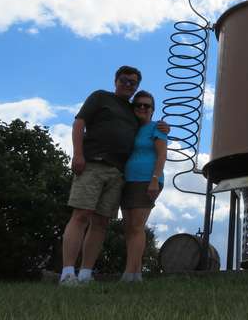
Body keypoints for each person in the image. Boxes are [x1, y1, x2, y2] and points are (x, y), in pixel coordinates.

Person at [59, 66, 168, 285]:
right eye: (125, 80)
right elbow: (79, 123)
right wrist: (77, 154)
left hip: (119, 174)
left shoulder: (135, 113)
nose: (129, 85)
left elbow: (154, 136)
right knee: (81, 215)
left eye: (133, 82)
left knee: (101, 223)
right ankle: (68, 272)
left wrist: (162, 127)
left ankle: (86, 274)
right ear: (116, 80)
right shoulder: (100, 97)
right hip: (93, 164)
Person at [120, 90, 168, 282]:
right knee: (129, 227)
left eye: (146, 105)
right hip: (128, 180)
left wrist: (154, 180)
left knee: (137, 226)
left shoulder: (157, 128)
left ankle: (130, 274)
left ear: (152, 110)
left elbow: (162, 155)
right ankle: (135, 273)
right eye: (138, 104)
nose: (142, 108)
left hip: (147, 180)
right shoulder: (130, 129)